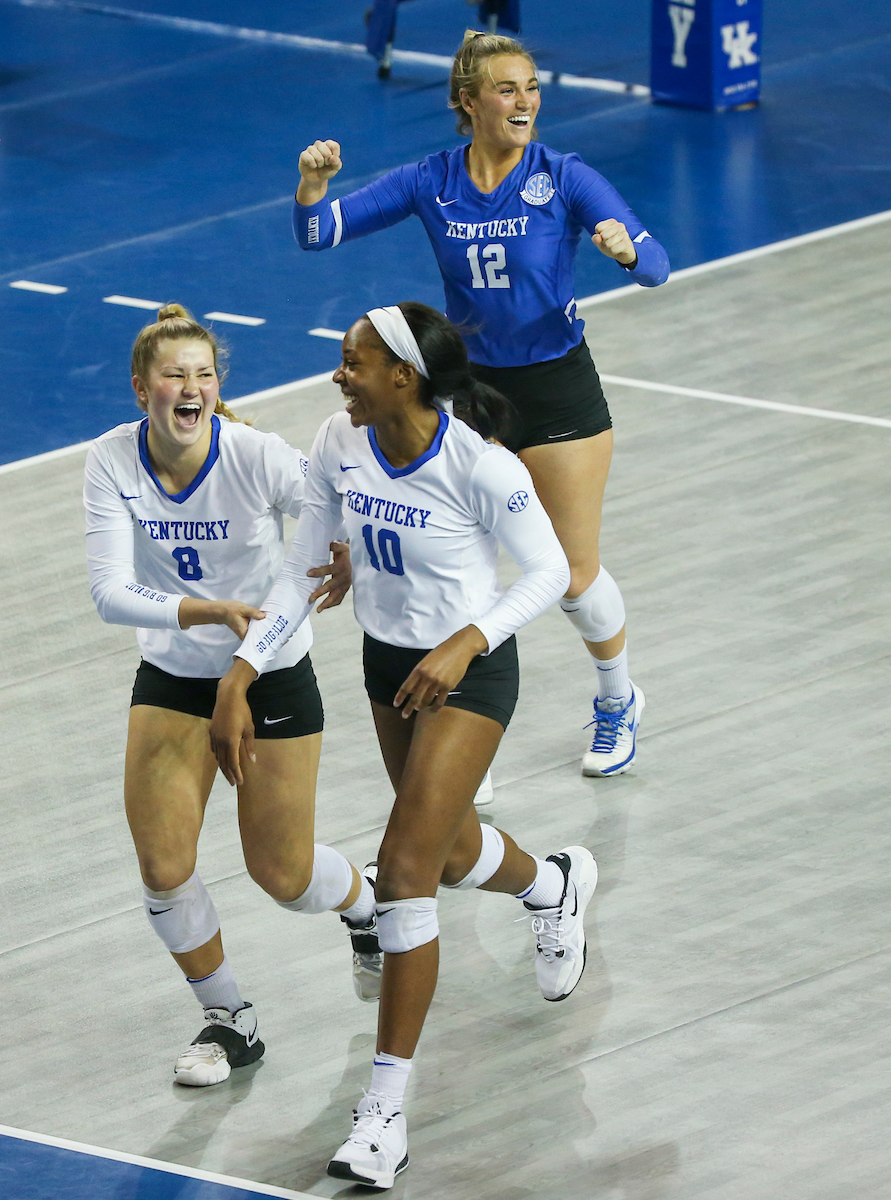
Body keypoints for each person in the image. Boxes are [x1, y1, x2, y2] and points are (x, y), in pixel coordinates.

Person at [210, 302, 598, 1188]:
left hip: (468, 673)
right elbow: (306, 565)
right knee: (453, 850)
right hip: (389, 669)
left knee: (407, 865)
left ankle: (384, 1113)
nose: (338, 375)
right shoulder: (338, 443)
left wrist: (470, 638)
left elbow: (548, 571)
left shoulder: (482, 466)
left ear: (403, 376)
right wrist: (241, 669)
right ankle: (555, 885)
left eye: (352, 362)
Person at [291, 29, 670, 778]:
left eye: (531, 86)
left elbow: (655, 266)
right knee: (459, 564)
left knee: (570, 572)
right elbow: (317, 234)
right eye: (507, 88)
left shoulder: (563, 176)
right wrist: (312, 184)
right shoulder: (431, 180)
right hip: (467, 392)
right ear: (468, 102)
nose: (525, 100)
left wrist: (625, 251)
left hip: (557, 384)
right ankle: (463, 727)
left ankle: (617, 697)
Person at [84, 304, 378, 1087]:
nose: (191, 387)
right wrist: (206, 611)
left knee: (282, 876)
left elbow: (329, 519)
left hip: (272, 668)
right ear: (140, 387)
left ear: (218, 387)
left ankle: (362, 899)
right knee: (162, 864)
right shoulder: (112, 460)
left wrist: (346, 550)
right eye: (175, 375)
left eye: (204, 374)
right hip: (175, 676)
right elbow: (110, 594)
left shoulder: (255, 455)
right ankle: (229, 1019)